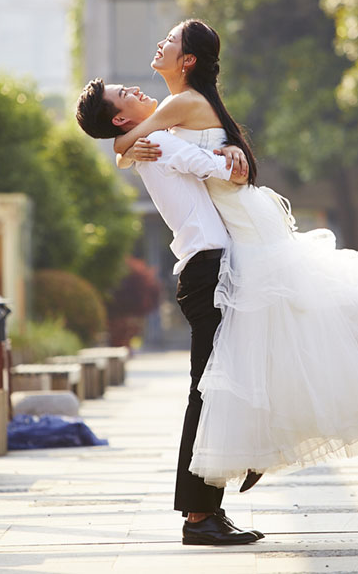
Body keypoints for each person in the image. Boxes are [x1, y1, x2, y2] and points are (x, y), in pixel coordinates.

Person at [107, 19, 358, 490]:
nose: (160, 42)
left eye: (170, 40)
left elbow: (124, 140)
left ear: (187, 61)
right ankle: (262, 445)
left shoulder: (179, 103)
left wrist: (128, 150)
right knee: (281, 335)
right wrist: (132, 151)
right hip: (245, 220)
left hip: (246, 226)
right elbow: (127, 143)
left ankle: (262, 445)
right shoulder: (185, 105)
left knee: (290, 330)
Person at [75, 79, 260, 546]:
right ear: (121, 118)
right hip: (207, 271)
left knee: (217, 387)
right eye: (125, 93)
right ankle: (199, 515)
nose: (137, 88)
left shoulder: (148, 140)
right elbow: (223, 172)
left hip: (208, 270)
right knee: (207, 392)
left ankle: (210, 507)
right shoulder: (157, 141)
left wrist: (123, 148)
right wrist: (233, 156)